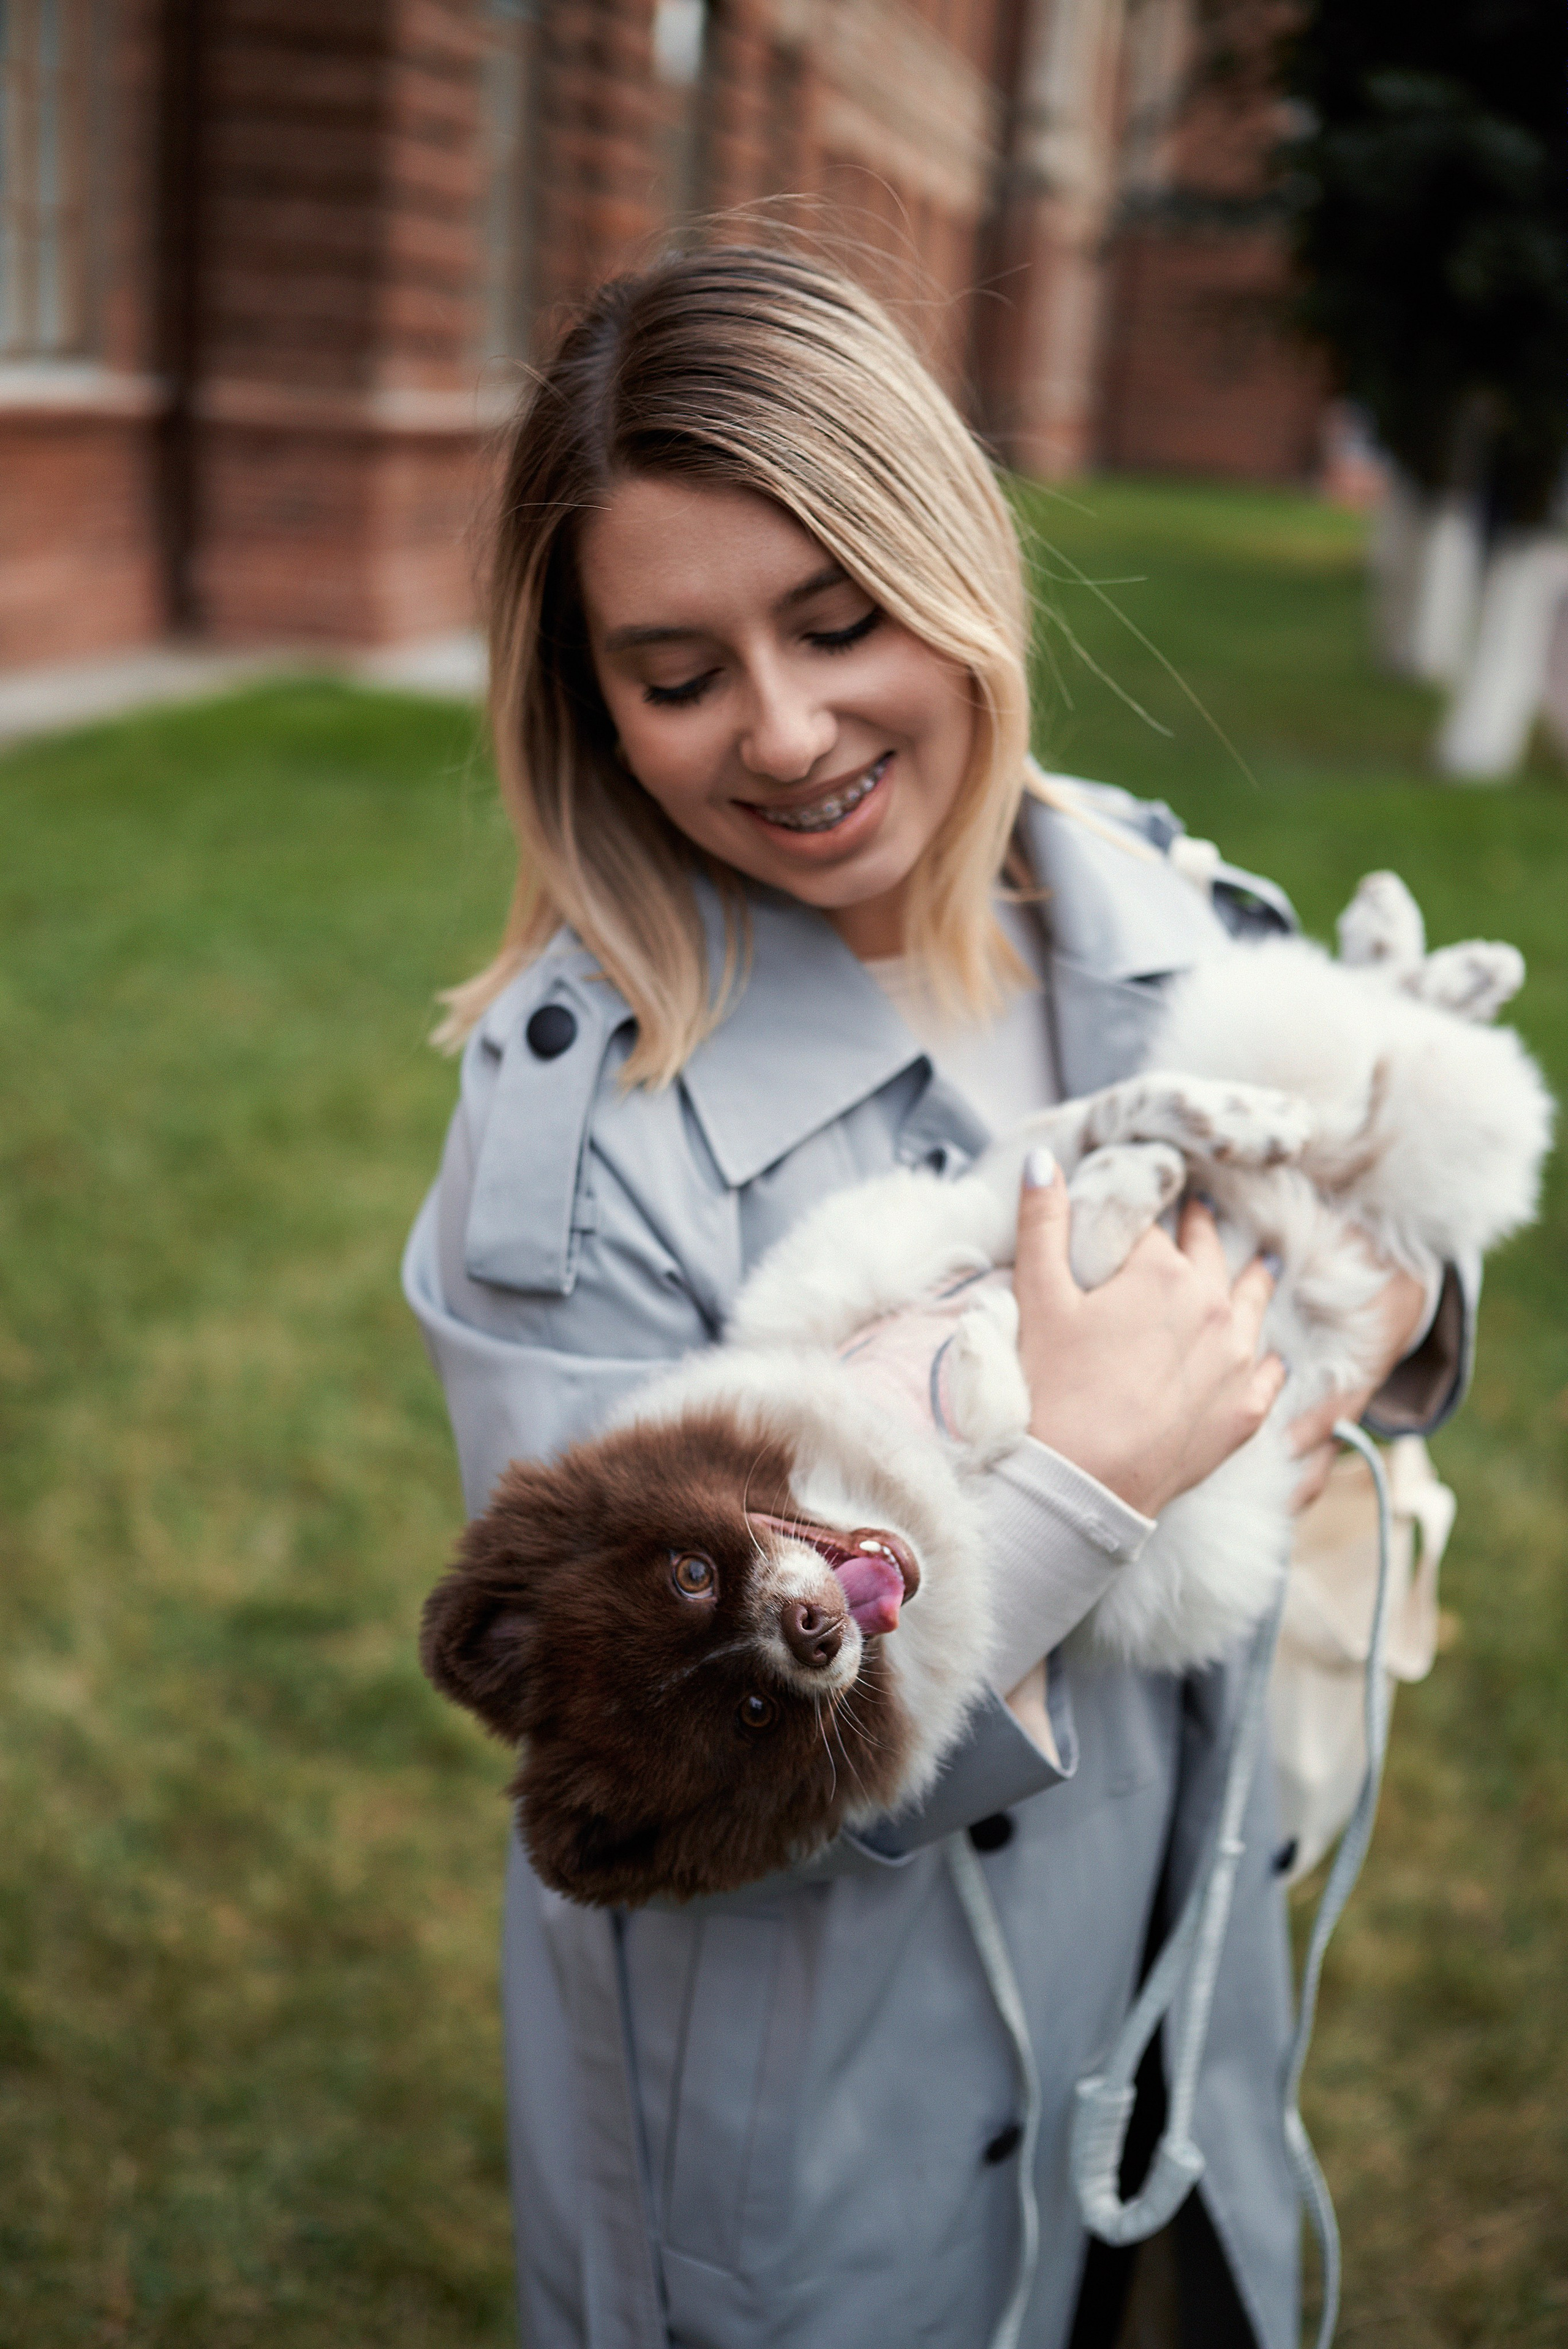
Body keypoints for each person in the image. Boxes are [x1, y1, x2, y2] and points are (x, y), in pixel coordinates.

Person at [402, 246, 1466, 2349]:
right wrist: (1076, 1480)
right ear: (586, 696)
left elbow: (1346, 1322)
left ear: (954, 564)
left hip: (1162, 2006)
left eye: (838, 618)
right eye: (678, 669)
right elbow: (642, 1753)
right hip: (827, 2119)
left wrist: (1379, 1316)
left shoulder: (1163, 930)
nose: (787, 733)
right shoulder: (581, 1143)